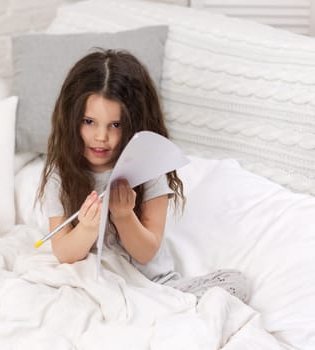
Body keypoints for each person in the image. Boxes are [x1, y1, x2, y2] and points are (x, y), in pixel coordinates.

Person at [37, 49, 249, 303]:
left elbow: (147, 252)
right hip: (97, 281)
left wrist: (124, 215)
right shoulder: (61, 173)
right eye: (89, 121)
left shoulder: (148, 168)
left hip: (151, 284)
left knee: (236, 285)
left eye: (115, 125)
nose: (101, 137)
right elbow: (63, 253)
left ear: (135, 123)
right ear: (71, 119)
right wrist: (87, 228)